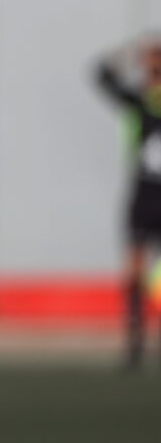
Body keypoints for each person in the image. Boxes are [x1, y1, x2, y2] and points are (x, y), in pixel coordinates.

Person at [95, 37, 161, 368]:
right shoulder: (138, 101)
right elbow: (101, 74)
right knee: (135, 269)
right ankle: (135, 340)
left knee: (157, 278)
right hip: (144, 195)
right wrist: (130, 52)